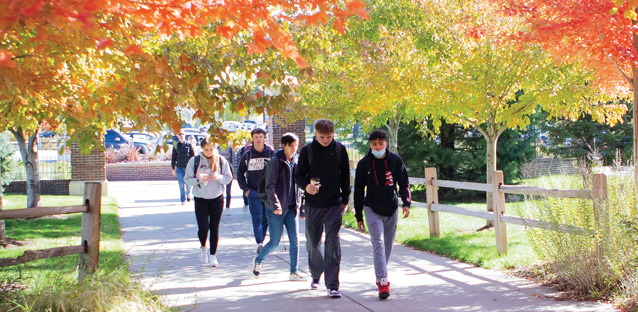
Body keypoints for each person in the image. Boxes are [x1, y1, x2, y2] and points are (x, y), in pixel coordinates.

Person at [295, 118, 350, 298]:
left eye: (329, 137)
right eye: (322, 137)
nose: (326, 140)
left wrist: (345, 199)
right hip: (313, 205)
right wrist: (306, 187)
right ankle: (316, 274)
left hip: (334, 204)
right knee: (313, 243)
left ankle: (333, 284)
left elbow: (346, 177)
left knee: (333, 244)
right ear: (315, 134)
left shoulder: (339, 150)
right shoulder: (307, 151)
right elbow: (298, 175)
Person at [353, 129, 411, 299]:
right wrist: (358, 216)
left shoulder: (395, 161)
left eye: (380, 143)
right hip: (372, 208)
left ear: (386, 143)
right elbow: (358, 191)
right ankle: (383, 281)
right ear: (370, 145)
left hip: (391, 209)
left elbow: (404, 184)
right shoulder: (364, 164)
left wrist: (406, 204)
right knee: (377, 242)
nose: (378, 146)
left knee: (387, 247)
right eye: (374, 144)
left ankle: (381, 271)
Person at [251, 133, 307, 281]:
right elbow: (270, 186)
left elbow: (299, 186)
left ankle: (293, 272)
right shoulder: (275, 162)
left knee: (295, 241)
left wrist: (301, 206)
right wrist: (275, 205)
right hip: (275, 208)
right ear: (284, 145)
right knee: (274, 242)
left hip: (291, 208)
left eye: (296, 145)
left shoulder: (295, 162)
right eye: (292, 145)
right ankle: (258, 260)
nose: (295, 149)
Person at [184, 139, 232, 267]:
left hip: (217, 197)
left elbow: (228, 178)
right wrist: (198, 180)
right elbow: (187, 179)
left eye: (211, 149)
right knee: (203, 227)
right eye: (206, 150)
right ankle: (203, 247)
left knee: (214, 227)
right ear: (202, 149)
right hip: (200, 198)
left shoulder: (221, 161)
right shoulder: (195, 161)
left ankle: (213, 256)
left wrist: (218, 177)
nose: (209, 152)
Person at [237, 128, 275, 254]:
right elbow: (239, 173)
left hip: (268, 192)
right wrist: (246, 190)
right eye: (256, 137)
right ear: (252, 139)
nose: (258, 139)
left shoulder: (270, 153)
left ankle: (262, 240)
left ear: (264, 138)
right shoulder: (247, 155)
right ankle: (259, 242)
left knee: (266, 218)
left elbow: (278, 171)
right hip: (253, 192)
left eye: (260, 136)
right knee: (257, 217)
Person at [171, 129, 195, 205]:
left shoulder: (189, 145)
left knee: (188, 184)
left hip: (188, 168)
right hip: (179, 168)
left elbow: (193, 157)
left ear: (184, 135)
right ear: (177, 136)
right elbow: (173, 158)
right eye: (179, 134)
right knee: (181, 184)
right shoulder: (176, 146)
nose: (181, 136)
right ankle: (183, 200)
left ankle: (188, 193)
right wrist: (173, 168)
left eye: (182, 134)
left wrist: (194, 167)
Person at [218, 141, 237, 216]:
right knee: (220, 191)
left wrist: (234, 173)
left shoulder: (230, 150)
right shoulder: (218, 149)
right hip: (219, 172)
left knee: (228, 191)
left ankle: (227, 207)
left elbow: (233, 162)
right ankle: (220, 207)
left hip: (228, 172)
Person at [237, 137, 252, 213]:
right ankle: (246, 202)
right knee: (246, 188)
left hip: (251, 173)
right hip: (246, 172)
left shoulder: (255, 149)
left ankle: (247, 202)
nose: (248, 141)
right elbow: (238, 161)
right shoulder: (243, 150)